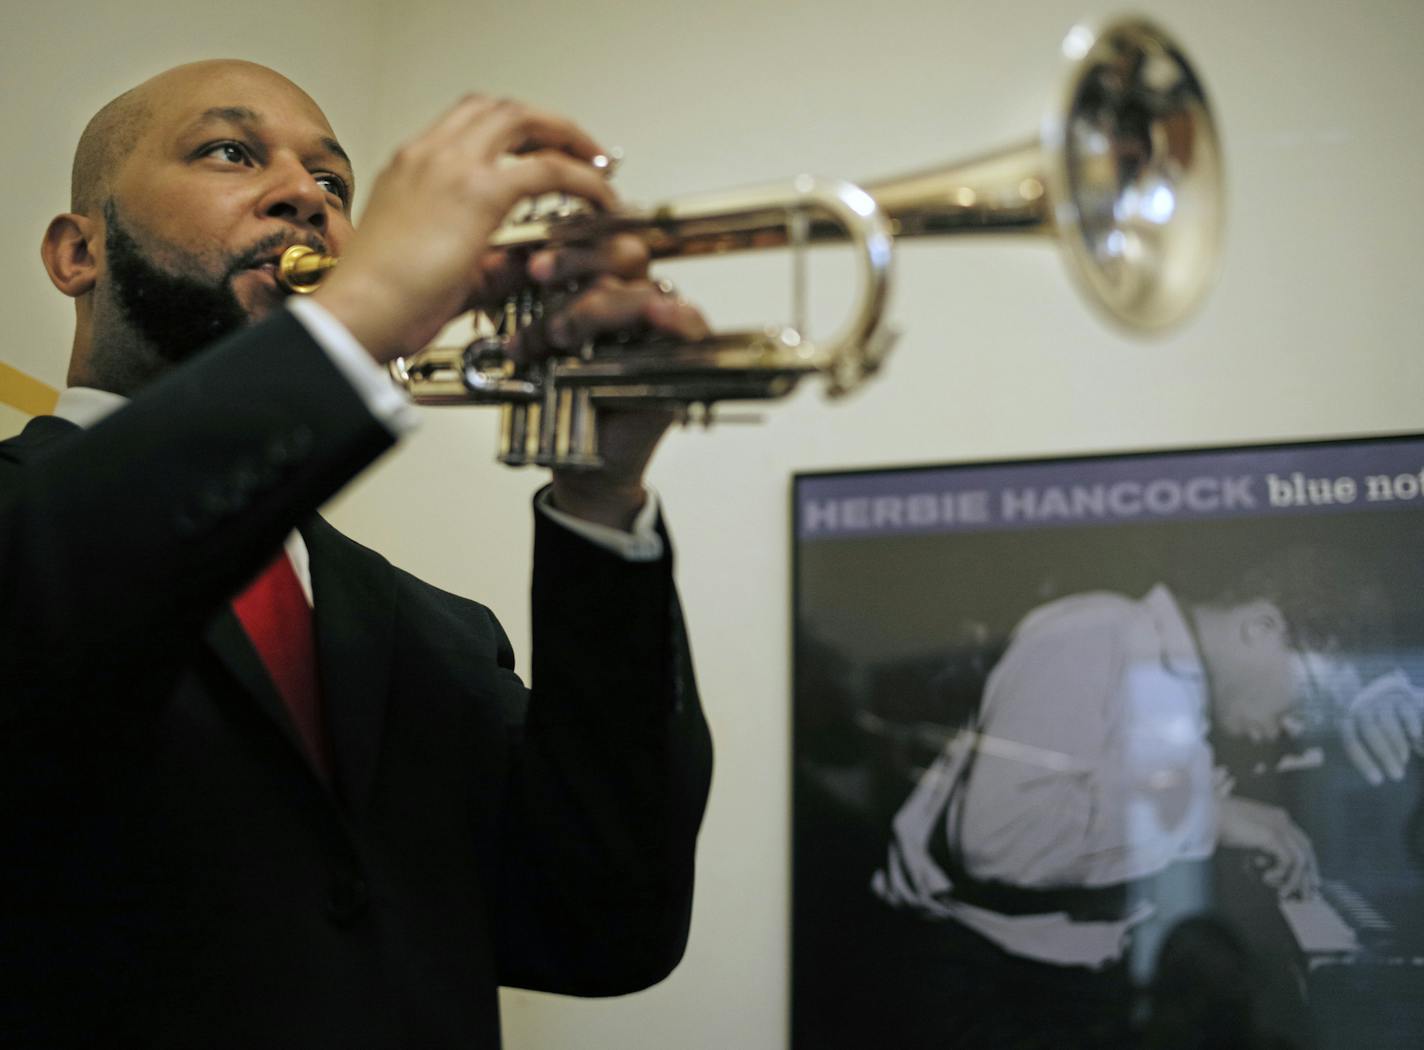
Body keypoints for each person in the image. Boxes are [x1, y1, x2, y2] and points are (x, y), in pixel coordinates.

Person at [0, 60, 714, 1048]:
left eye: (336, 185)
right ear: (77, 252)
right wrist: (364, 312)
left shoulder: (445, 638)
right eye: (230, 152)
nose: (309, 198)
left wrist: (602, 496)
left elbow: (605, 928)